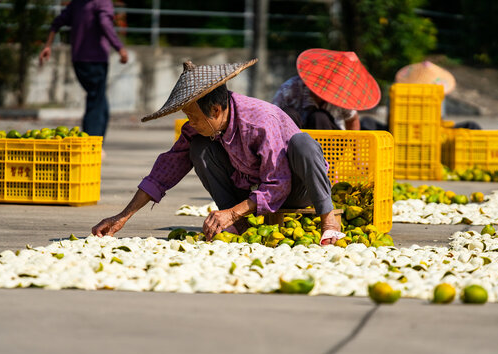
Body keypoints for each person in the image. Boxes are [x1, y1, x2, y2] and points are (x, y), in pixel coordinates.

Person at [92, 59, 345, 245]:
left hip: (297, 189)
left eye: (193, 116)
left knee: (304, 143)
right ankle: (236, 224)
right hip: (253, 192)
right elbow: (165, 170)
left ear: (215, 110)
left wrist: (231, 212)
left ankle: (328, 220)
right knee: (200, 148)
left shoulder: (260, 121)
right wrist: (122, 216)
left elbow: (278, 185)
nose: (190, 122)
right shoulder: (200, 129)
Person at [39, 0, 129, 139]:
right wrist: (120, 48)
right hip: (96, 60)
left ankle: (97, 142)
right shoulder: (102, 2)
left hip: (79, 60)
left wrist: (48, 45)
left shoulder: (78, 2)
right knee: (96, 101)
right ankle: (92, 141)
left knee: (100, 101)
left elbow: (57, 21)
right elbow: (105, 24)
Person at [272, 49, 381, 131]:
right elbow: (271, 117)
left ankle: (322, 161)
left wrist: (353, 152)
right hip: (296, 142)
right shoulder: (290, 89)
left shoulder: (343, 94)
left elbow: (352, 119)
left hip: (330, 146)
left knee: (319, 117)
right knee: (287, 114)